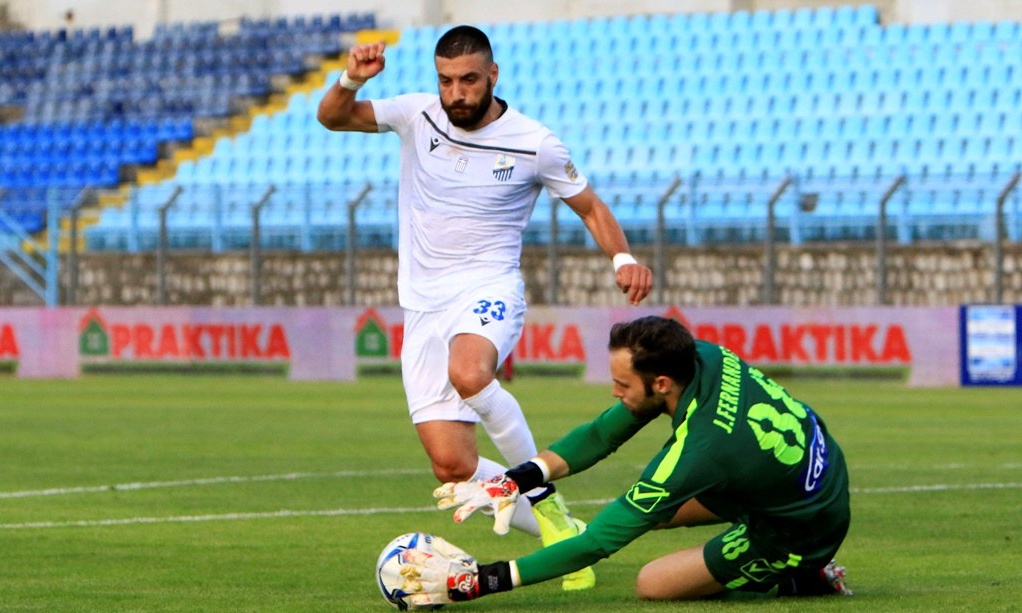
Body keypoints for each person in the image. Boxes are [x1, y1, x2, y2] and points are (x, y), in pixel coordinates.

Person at [317, 25, 653, 591]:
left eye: (469, 80)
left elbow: (590, 206)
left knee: (469, 372)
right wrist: (351, 78)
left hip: (488, 286)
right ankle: (569, 530)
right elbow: (332, 116)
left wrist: (622, 257)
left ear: (492, 75)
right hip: (422, 307)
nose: (457, 94)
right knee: (452, 466)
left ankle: (544, 504)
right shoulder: (416, 114)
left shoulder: (534, 142)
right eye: (446, 81)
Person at [407, 315, 852, 606]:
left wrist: (482, 581)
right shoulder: (703, 356)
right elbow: (603, 434)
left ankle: (803, 571)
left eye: (623, 384)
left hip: (803, 525)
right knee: (657, 514)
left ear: (660, 383)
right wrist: (516, 479)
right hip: (809, 470)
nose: (615, 393)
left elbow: (596, 544)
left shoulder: (699, 452)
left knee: (653, 584)